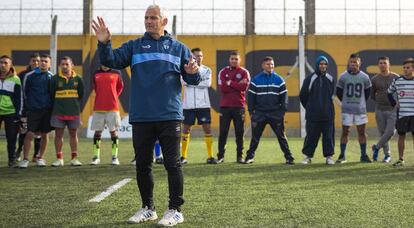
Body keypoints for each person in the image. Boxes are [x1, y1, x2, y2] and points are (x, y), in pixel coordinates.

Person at [92, 4, 200, 226]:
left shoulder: (179, 48)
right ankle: (148, 208)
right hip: (142, 116)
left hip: (170, 115)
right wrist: (104, 43)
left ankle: (175, 210)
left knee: (173, 164)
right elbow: (110, 61)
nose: (149, 21)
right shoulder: (134, 46)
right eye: (146, 17)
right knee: (143, 164)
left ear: (164, 22)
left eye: (153, 18)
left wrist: (192, 73)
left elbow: (192, 79)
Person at [243, 56, 294, 164]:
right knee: (255, 138)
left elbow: (284, 98)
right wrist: (251, 112)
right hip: (259, 114)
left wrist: (281, 112)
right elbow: (250, 97)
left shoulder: (279, 80)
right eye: (268, 64)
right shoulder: (256, 80)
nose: (270, 66)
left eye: (272, 64)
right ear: (263, 66)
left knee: (281, 137)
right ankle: (249, 157)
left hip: (275, 114)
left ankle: (289, 157)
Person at [180, 48, 217, 164]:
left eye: (200, 56)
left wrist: (191, 81)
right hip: (188, 105)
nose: (199, 58)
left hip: (203, 105)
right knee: (186, 129)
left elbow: (207, 83)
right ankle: (183, 157)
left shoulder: (207, 70)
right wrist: (194, 81)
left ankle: (210, 156)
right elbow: (183, 82)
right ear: (192, 57)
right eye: (196, 56)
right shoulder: (185, 68)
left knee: (207, 129)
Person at [18, 54, 53, 168]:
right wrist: (26, 109)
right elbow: (24, 93)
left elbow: (52, 95)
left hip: (47, 111)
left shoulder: (51, 77)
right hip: (33, 111)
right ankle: (25, 159)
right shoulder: (29, 76)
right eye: (41, 61)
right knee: (30, 134)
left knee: (44, 134)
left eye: (45, 61)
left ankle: (40, 158)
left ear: (49, 64)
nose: (42, 63)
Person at [336, 53, 372, 163]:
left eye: (355, 62)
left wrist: (359, 103)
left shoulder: (365, 77)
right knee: (345, 132)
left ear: (359, 63)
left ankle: (363, 155)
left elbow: (367, 93)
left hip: (360, 110)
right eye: (351, 62)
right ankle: (342, 155)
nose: (353, 64)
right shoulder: (343, 77)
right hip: (347, 109)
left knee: (361, 132)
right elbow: (339, 93)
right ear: (348, 63)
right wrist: (347, 102)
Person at [300, 56, 336, 165]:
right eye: (321, 64)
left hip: (328, 115)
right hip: (313, 115)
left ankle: (329, 157)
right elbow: (302, 95)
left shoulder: (330, 79)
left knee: (328, 137)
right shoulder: (310, 78)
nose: (323, 66)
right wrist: (310, 107)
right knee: (311, 137)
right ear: (317, 65)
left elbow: (331, 96)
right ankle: (308, 157)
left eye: (325, 64)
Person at [50, 56, 84, 167]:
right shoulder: (54, 79)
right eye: (62, 64)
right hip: (58, 112)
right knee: (58, 135)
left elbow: (81, 95)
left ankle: (74, 158)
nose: (64, 66)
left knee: (73, 134)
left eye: (67, 64)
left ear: (72, 65)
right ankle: (59, 159)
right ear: (60, 66)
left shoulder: (78, 79)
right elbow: (51, 95)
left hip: (73, 112)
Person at [217, 51, 250, 164]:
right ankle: (220, 156)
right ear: (229, 60)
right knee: (223, 132)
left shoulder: (244, 72)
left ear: (239, 60)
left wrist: (230, 83)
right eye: (232, 59)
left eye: (236, 59)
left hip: (239, 106)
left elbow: (244, 86)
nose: (234, 61)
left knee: (239, 132)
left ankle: (239, 157)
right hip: (225, 107)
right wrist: (237, 84)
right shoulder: (223, 72)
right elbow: (223, 89)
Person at [90, 65, 123, 166]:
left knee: (113, 132)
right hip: (98, 108)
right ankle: (96, 157)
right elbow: (95, 88)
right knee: (97, 133)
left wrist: (112, 96)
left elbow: (120, 87)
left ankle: (115, 157)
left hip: (112, 108)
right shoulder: (96, 73)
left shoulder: (117, 73)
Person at [370, 56, 399, 163]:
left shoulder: (396, 77)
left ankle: (376, 147)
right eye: (381, 63)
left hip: (393, 109)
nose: (382, 65)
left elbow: (401, 93)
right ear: (378, 65)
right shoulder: (374, 79)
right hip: (379, 109)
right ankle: (387, 155)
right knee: (382, 133)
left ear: (389, 64)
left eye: (384, 63)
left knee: (390, 131)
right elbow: (372, 95)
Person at [387, 58, 414, 167]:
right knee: (401, 136)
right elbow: (389, 93)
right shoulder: (397, 81)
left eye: (408, 67)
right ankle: (401, 159)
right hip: (402, 113)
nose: (405, 69)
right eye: (404, 68)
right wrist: (394, 104)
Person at [16, 53, 41, 162]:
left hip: (39, 109)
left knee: (38, 133)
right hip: (26, 109)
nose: (36, 63)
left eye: (37, 61)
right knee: (23, 132)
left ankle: (36, 155)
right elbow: (20, 93)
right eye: (33, 60)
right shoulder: (22, 75)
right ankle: (19, 151)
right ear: (29, 62)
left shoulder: (42, 74)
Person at [0, 55, 22, 168]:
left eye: (5, 63)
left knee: (11, 138)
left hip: (11, 113)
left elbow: (19, 98)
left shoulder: (16, 79)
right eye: (1, 62)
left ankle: (12, 160)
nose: (3, 65)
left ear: (10, 65)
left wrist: (18, 113)